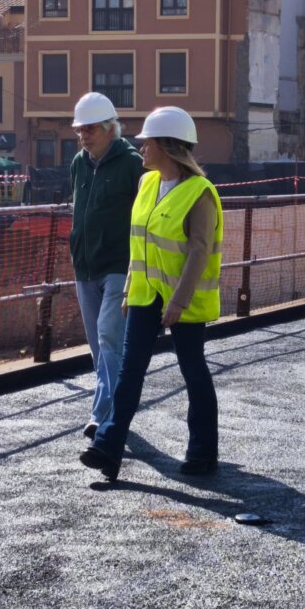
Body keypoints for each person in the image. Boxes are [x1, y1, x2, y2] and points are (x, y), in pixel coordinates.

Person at [79, 106, 224, 482]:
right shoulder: (147, 184)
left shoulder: (199, 193)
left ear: (168, 146)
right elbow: (139, 244)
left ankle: (203, 452)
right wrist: (129, 288)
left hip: (182, 299)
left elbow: (199, 250)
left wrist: (179, 300)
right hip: (145, 295)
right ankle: (107, 448)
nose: (141, 148)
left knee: (193, 370)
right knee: (130, 372)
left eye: (147, 143)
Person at [69, 92, 144, 439]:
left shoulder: (132, 163)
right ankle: (117, 408)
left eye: (90, 130)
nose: (84, 136)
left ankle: (102, 418)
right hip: (85, 266)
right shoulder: (78, 164)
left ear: (110, 128)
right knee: (98, 347)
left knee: (109, 339)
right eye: (80, 130)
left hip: (119, 265)